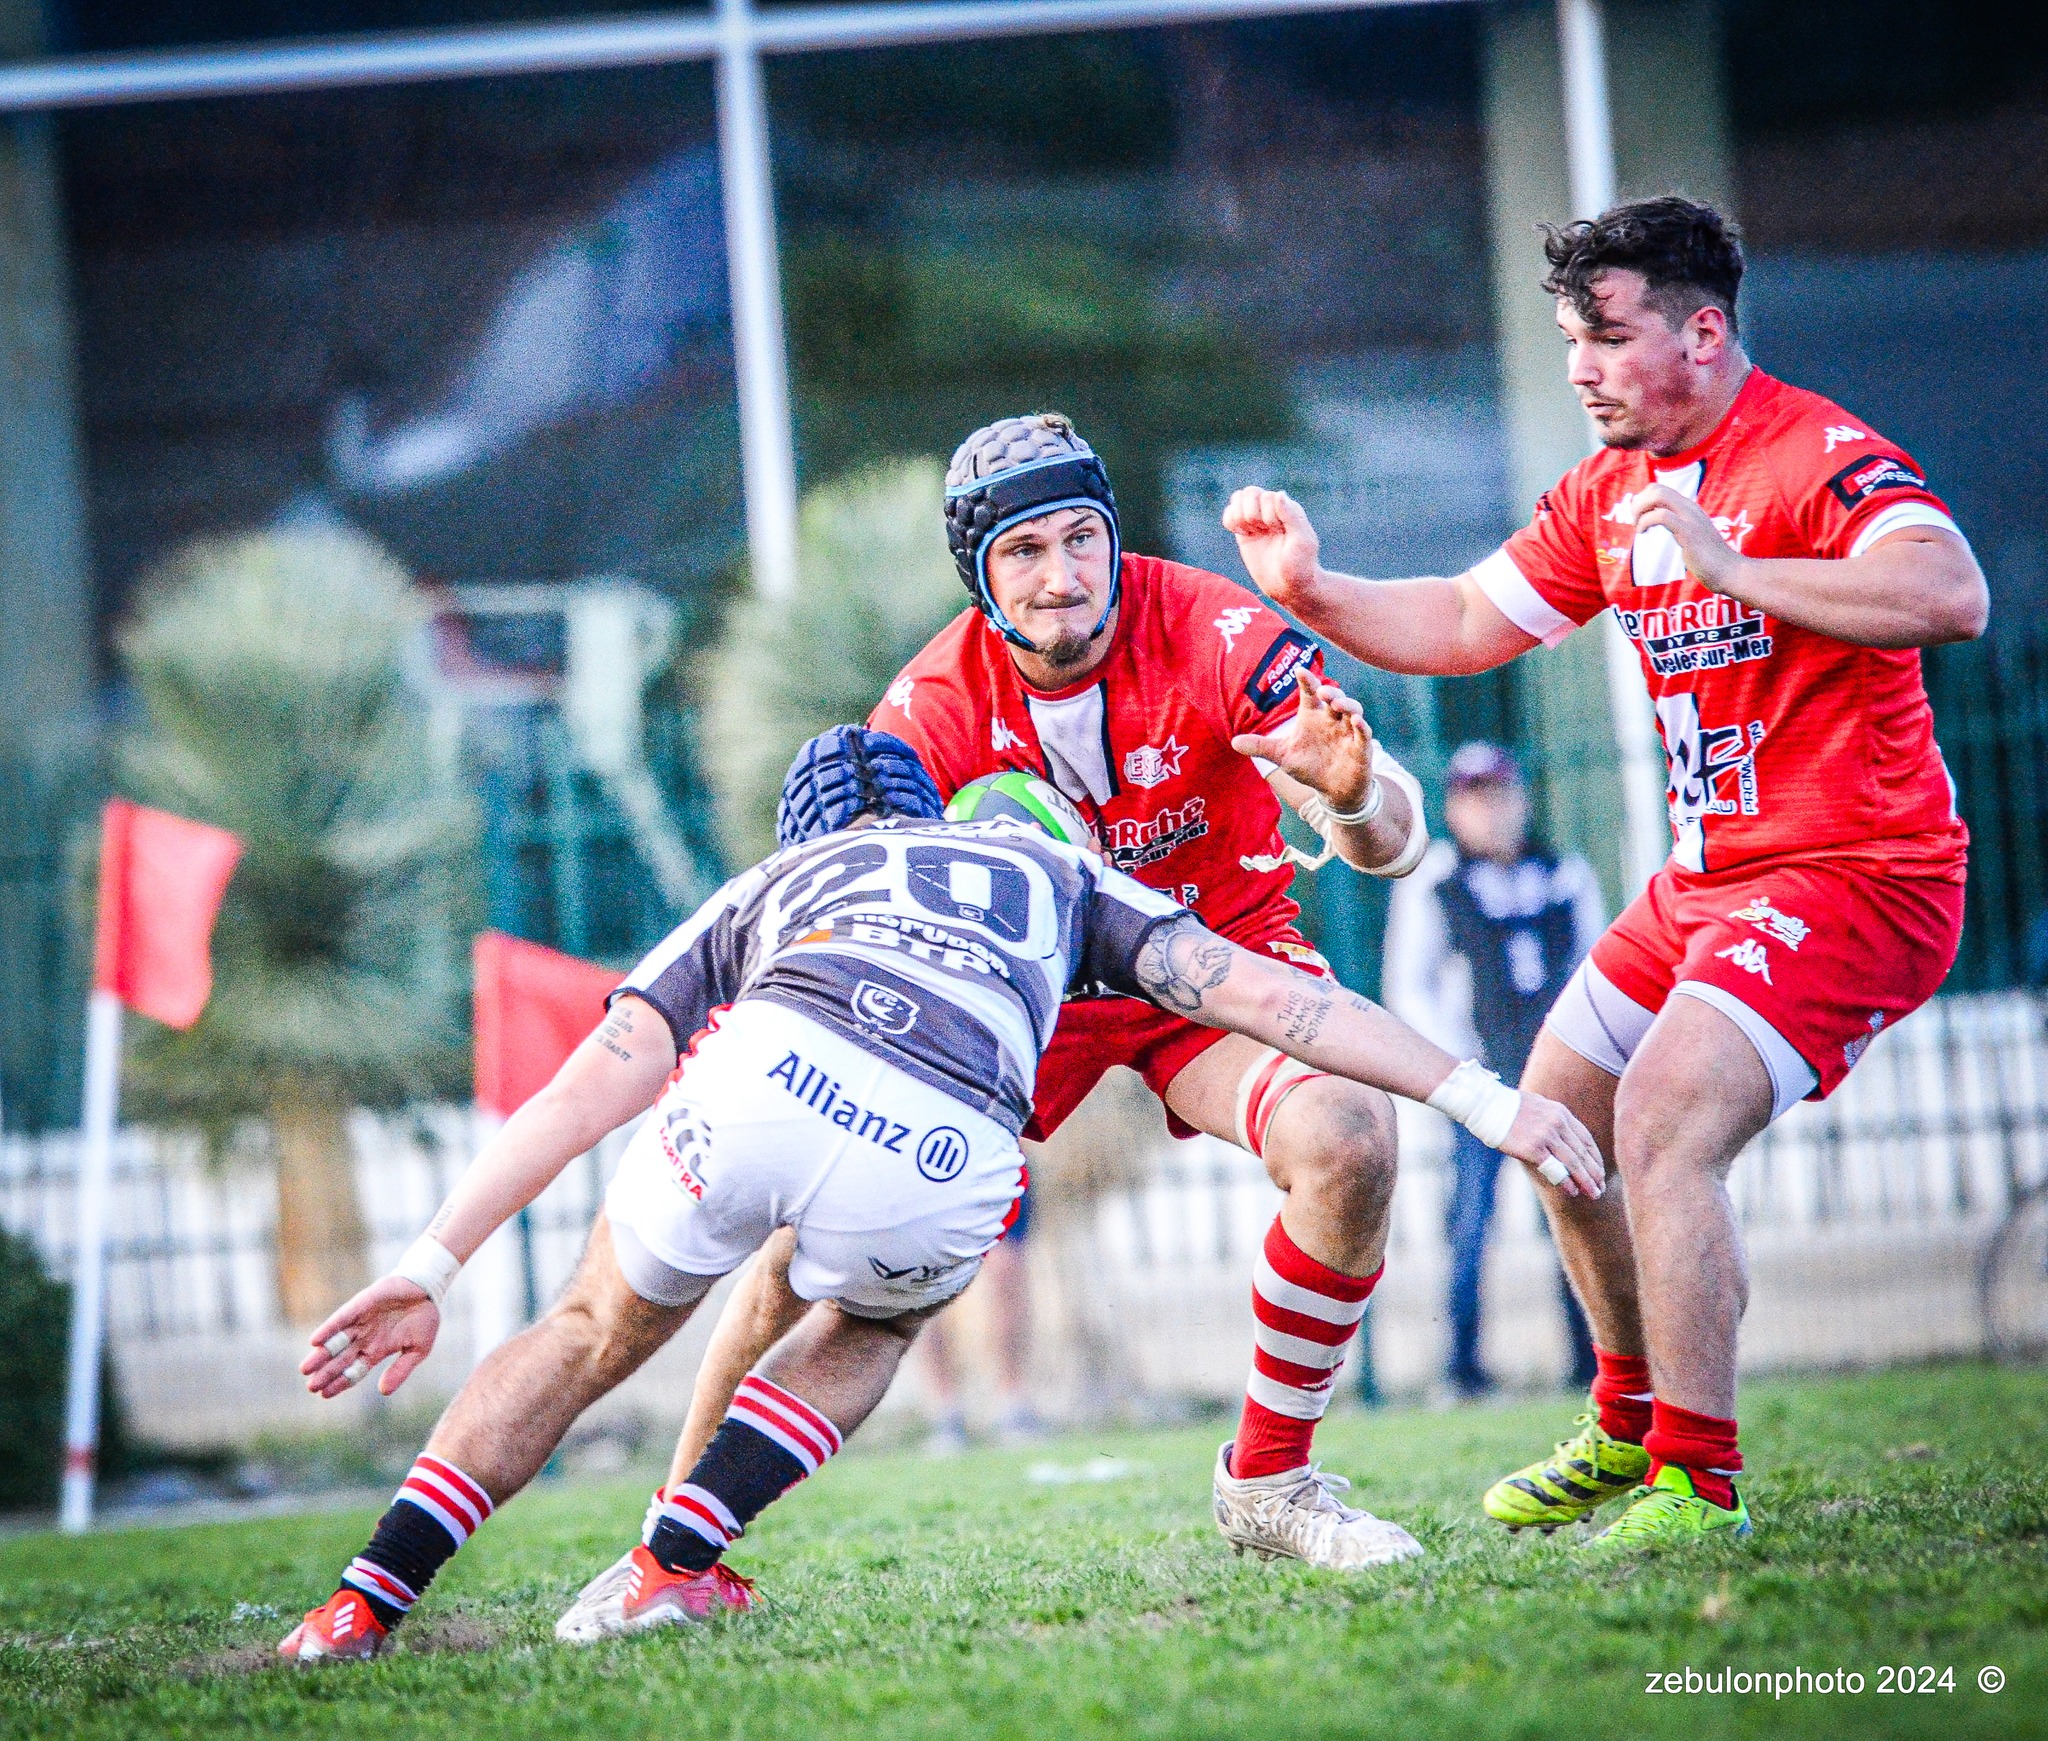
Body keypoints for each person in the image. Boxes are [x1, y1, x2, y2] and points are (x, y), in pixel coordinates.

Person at [276, 729, 1602, 1659]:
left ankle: (357, 1608)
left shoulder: (772, 880)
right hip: (945, 1136)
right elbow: (1277, 1000)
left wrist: (431, 1264)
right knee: (876, 1318)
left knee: (584, 1328)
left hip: (763, 1069)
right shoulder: (1054, 866)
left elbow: (588, 1086)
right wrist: (1485, 1100)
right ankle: (671, 1564)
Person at [580, 409, 1443, 1604]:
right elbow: (858, 918)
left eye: (1080, 538)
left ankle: (1270, 1483)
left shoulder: (1211, 626)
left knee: (1348, 1138)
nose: (1060, 576)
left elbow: (1394, 838)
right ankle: (669, 1552)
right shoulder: (926, 708)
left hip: (1211, 963)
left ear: (1111, 537)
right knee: (792, 1247)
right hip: (1011, 1003)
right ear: (978, 575)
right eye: (1023, 551)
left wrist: (1349, 801)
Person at [1224, 195, 1984, 1550]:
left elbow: (1949, 593)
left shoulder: (1816, 453)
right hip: (1707, 882)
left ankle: (1697, 1478)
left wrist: (1738, 567)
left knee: (1663, 1118)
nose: (1580, 367)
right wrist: (1312, 591)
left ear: (1703, 335)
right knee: (1559, 1110)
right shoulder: (1608, 490)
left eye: (1608, 337)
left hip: (1857, 876)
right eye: (1569, 340)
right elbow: (1466, 617)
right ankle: (1627, 1421)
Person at [1383, 741, 1602, 1398]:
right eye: (1475, 800)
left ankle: (1594, 1362)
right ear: (1454, 809)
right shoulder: (1437, 882)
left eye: (1501, 796)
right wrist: (1461, 1068)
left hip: (1556, 1079)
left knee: (1576, 1217)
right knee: (1472, 1221)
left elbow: (1595, 969)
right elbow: (1410, 985)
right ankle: (1463, 1368)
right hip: (1483, 1084)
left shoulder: (1565, 875)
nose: (1492, 813)